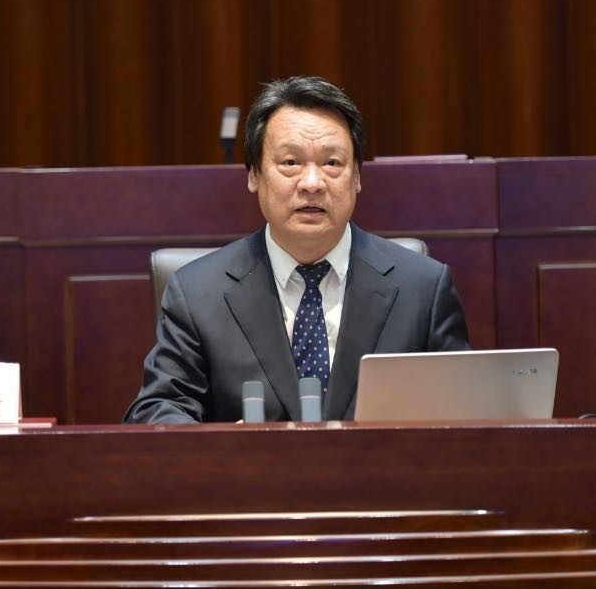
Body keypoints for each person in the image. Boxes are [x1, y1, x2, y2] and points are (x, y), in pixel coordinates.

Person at [123, 76, 470, 424]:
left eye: (332, 163)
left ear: (357, 177)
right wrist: (227, 447)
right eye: (290, 162)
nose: (312, 183)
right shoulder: (198, 293)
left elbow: (464, 415)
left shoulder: (423, 288)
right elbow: (157, 411)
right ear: (254, 174)